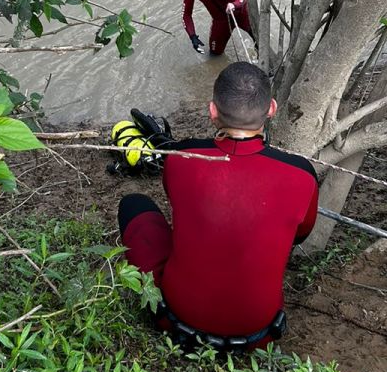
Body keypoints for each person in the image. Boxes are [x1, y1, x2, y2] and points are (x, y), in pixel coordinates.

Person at [117, 62, 318, 351]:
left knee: (134, 204)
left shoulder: (181, 157)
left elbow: (178, 202)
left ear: (212, 111)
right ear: (271, 108)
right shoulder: (302, 174)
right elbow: (300, 235)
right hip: (260, 334)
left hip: (175, 319)